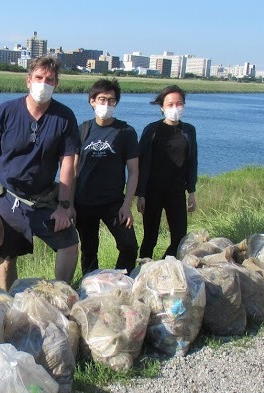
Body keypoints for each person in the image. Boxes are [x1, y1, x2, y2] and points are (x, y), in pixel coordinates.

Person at [0, 55, 80, 290]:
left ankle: (61, 295)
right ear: (28, 80)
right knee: (7, 255)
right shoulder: (7, 111)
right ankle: (10, 300)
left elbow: (68, 163)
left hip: (43, 197)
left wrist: (64, 206)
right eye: (38, 77)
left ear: (56, 84)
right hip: (8, 196)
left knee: (69, 242)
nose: (43, 83)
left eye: (49, 79)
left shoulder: (64, 117)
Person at [75, 78, 139, 274]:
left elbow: (134, 171)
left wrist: (127, 206)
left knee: (129, 246)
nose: (106, 104)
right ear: (92, 101)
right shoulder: (82, 130)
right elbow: (72, 169)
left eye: (111, 100)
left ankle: (121, 282)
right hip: (84, 202)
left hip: (113, 203)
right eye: (102, 99)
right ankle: (91, 288)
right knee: (89, 251)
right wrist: (67, 204)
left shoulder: (126, 132)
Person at [136, 84, 198, 259]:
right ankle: (142, 271)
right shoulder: (152, 130)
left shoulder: (189, 131)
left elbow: (192, 161)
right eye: (170, 105)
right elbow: (141, 162)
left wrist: (191, 192)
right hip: (152, 192)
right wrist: (140, 194)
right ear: (162, 107)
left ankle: (167, 268)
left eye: (179, 104)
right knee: (150, 238)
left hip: (176, 191)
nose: (175, 108)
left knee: (179, 238)